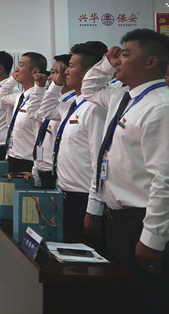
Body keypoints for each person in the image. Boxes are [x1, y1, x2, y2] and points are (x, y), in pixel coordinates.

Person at [83, 29, 169, 314]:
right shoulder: (122, 96)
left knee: (146, 301)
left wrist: (152, 239)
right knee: (120, 300)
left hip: (141, 222)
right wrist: (106, 62)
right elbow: (89, 88)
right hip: (116, 219)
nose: (119, 61)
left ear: (151, 62)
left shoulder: (164, 108)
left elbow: (167, 182)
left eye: (125, 55)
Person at [38, 42, 109, 241]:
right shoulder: (72, 105)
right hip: (63, 192)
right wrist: (56, 84)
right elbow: (44, 111)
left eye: (70, 66)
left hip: (83, 198)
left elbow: (99, 160)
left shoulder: (95, 108)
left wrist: (94, 208)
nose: (65, 72)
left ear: (89, 71)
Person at [27, 54, 73, 189]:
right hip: (42, 167)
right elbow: (34, 113)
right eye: (52, 72)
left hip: (57, 172)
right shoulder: (56, 101)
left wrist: (56, 85)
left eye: (55, 73)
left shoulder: (72, 103)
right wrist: (39, 87)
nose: (50, 77)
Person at [1, 52, 47, 174]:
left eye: (21, 65)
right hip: (13, 157)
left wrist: (36, 167)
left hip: (28, 162)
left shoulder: (40, 99)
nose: (16, 69)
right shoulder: (20, 96)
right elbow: (2, 95)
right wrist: (12, 79)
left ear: (35, 72)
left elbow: (39, 136)